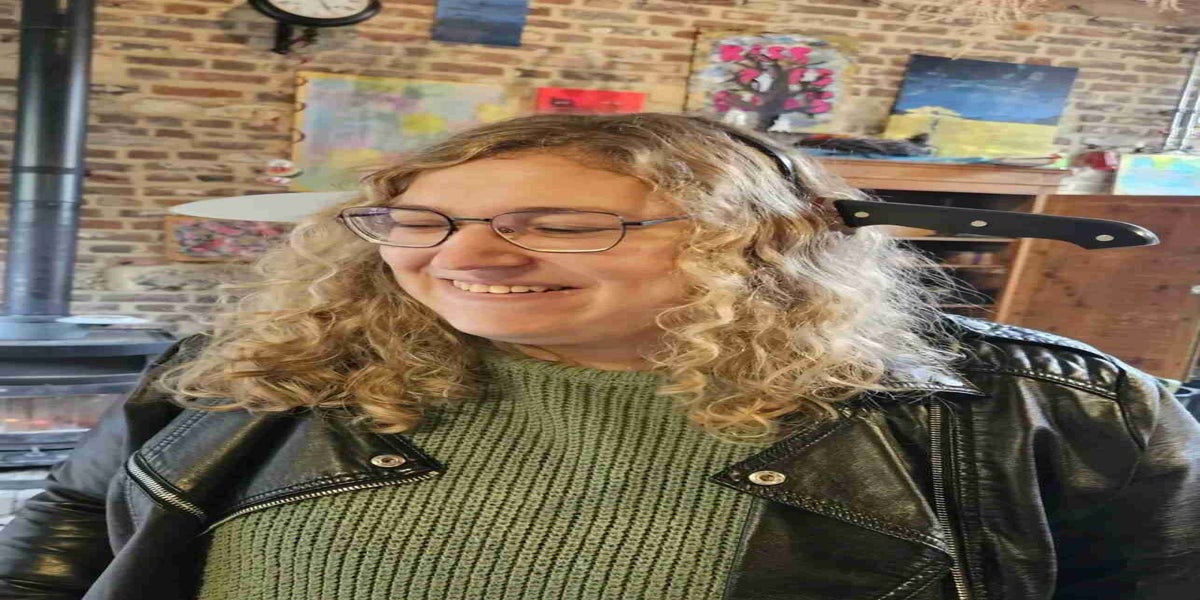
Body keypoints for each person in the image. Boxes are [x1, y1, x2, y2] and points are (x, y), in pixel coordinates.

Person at [1, 113, 1197, 600]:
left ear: (755, 243)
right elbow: (71, 535)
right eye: (423, 220)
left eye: (561, 224)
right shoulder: (262, 365)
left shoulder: (1043, 413)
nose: (469, 257)